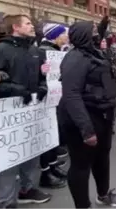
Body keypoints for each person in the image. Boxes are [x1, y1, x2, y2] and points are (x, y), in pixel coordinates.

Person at [0, 13, 51, 208]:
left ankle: (27, 188)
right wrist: (20, 91)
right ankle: (5, 201)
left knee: (31, 151)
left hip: (31, 111)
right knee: (9, 158)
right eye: (28, 23)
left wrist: (43, 86)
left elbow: (41, 77)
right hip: (7, 115)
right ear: (16, 28)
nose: (32, 26)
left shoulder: (35, 51)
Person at [59, 21, 116, 209]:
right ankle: (83, 205)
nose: (97, 35)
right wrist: (86, 130)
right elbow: (71, 95)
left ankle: (103, 194)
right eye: (93, 31)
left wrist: (104, 22)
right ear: (83, 36)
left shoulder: (94, 53)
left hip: (102, 115)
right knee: (81, 165)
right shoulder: (75, 59)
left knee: (102, 157)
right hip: (82, 118)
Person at [37, 23, 69, 189]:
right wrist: (41, 71)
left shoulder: (58, 51)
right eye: (63, 34)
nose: (66, 37)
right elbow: (38, 75)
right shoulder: (43, 51)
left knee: (54, 135)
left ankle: (53, 166)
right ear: (55, 36)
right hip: (47, 100)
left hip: (56, 98)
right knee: (48, 135)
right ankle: (45, 172)